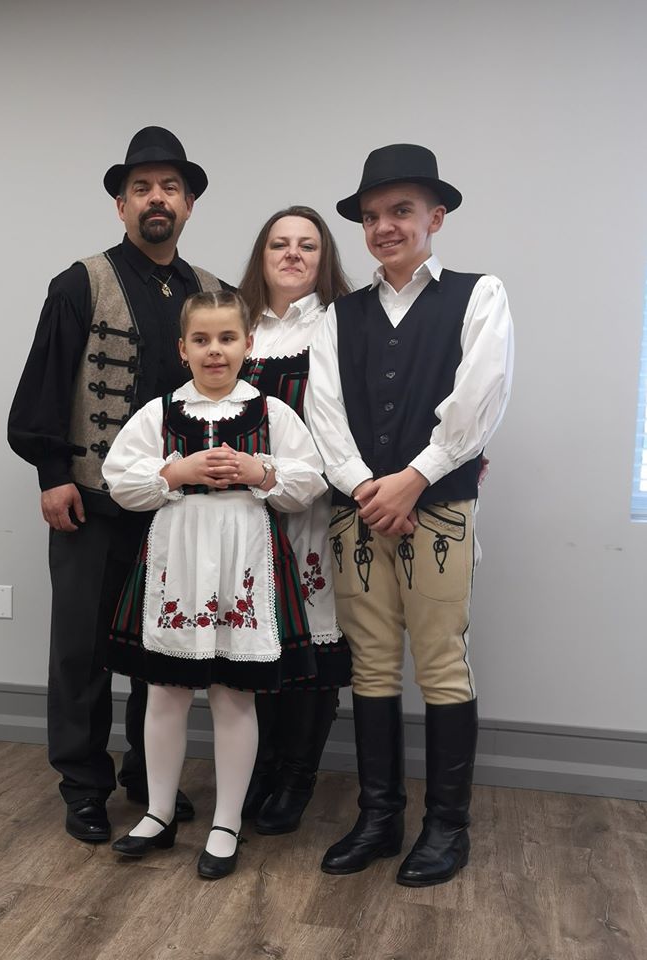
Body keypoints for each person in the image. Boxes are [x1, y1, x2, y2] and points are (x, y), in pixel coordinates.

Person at [8, 126, 226, 843]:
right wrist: (52, 476)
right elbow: (44, 387)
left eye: (169, 188)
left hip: (177, 506)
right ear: (121, 204)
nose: (156, 198)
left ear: (188, 204)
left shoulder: (212, 293)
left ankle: (146, 775)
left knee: (158, 650)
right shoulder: (80, 283)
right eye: (141, 188)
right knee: (81, 649)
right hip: (91, 502)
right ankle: (83, 784)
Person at [306, 144, 514, 886]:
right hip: (357, 513)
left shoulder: (479, 295)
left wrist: (413, 480)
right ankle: (379, 817)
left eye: (401, 211)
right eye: (371, 216)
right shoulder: (338, 316)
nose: (385, 227)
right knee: (370, 662)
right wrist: (368, 488)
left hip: (439, 511)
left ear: (436, 216)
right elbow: (324, 414)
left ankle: (447, 826)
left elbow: (478, 399)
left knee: (441, 662)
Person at [101, 290, 327, 879]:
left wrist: (260, 471)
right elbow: (119, 478)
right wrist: (174, 472)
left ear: (248, 345)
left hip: (244, 557)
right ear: (183, 349)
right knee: (164, 691)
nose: (215, 351)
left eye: (227, 338)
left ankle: (226, 822)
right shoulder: (160, 413)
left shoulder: (271, 413)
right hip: (178, 557)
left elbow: (309, 480)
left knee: (234, 694)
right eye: (201, 340)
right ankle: (158, 812)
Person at [237, 206, 352, 834]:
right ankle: (260, 766)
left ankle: (297, 774)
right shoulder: (238, 325)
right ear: (262, 255)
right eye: (279, 243)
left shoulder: (342, 323)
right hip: (242, 510)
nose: (292, 254)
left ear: (323, 258)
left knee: (310, 638)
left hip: (314, 508)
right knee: (255, 638)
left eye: (307, 245)